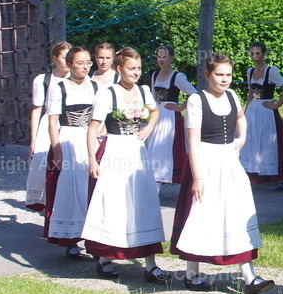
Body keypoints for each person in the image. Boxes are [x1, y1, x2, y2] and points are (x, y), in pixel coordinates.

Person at [170, 53, 275, 294]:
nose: (225, 79)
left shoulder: (232, 95)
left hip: (228, 161)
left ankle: (250, 277)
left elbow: (241, 117)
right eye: (219, 74)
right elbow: (192, 142)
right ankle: (191, 273)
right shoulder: (197, 100)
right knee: (202, 214)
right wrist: (197, 177)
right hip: (205, 162)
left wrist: (242, 139)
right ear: (208, 75)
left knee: (236, 213)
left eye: (228, 74)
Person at [82, 47, 169, 281]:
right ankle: (105, 257)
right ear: (119, 69)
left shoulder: (143, 91)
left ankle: (150, 263)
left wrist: (149, 127)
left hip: (138, 152)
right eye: (132, 68)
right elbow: (92, 129)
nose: (136, 72)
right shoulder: (108, 93)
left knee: (143, 202)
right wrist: (93, 160)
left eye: (139, 68)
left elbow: (155, 111)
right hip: (115, 152)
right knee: (115, 203)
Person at [44, 46, 99, 258]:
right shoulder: (59, 87)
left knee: (91, 189)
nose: (84, 67)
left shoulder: (96, 87)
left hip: (89, 140)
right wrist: (57, 150)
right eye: (79, 63)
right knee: (70, 190)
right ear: (69, 64)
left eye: (87, 62)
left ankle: (94, 239)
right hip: (68, 139)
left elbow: (100, 117)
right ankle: (70, 238)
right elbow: (52, 121)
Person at [241, 42, 283, 190]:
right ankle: (253, 172)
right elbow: (251, 93)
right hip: (254, 109)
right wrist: (246, 111)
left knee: (270, 143)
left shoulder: (271, 71)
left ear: (264, 54)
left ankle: (281, 177)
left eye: (257, 53)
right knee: (252, 141)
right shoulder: (250, 71)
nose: (254, 57)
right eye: (252, 53)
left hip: (266, 111)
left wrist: (276, 105)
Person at [26, 41, 70, 211]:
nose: (68, 62)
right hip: (48, 125)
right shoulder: (43, 80)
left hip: (68, 124)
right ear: (55, 58)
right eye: (65, 58)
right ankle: (46, 204)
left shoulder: (80, 79)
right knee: (43, 165)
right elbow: (36, 110)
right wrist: (33, 140)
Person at [146, 45, 197, 185]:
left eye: (165, 57)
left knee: (165, 148)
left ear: (171, 58)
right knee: (153, 147)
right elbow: (152, 96)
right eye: (159, 57)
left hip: (169, 117)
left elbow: (194, 93)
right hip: (156, 114)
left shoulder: (177, 76)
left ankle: (163, 177)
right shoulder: (155, 75)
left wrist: (180, 107)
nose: (161, 60)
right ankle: (153, 181)